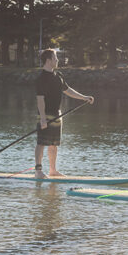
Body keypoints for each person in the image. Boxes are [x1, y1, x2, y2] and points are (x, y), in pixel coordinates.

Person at [35, 49, 93, 179]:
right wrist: (43, 119)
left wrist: (84, 97)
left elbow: (68, 90)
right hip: (45, 116)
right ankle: (38, 171)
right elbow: (40, 100)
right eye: (55, 58)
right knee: (41, 143)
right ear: (48, 60)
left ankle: (53, 170)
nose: (57, 60)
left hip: (57, 115)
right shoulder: (41, 78)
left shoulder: (58, 76)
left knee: (54, 144)